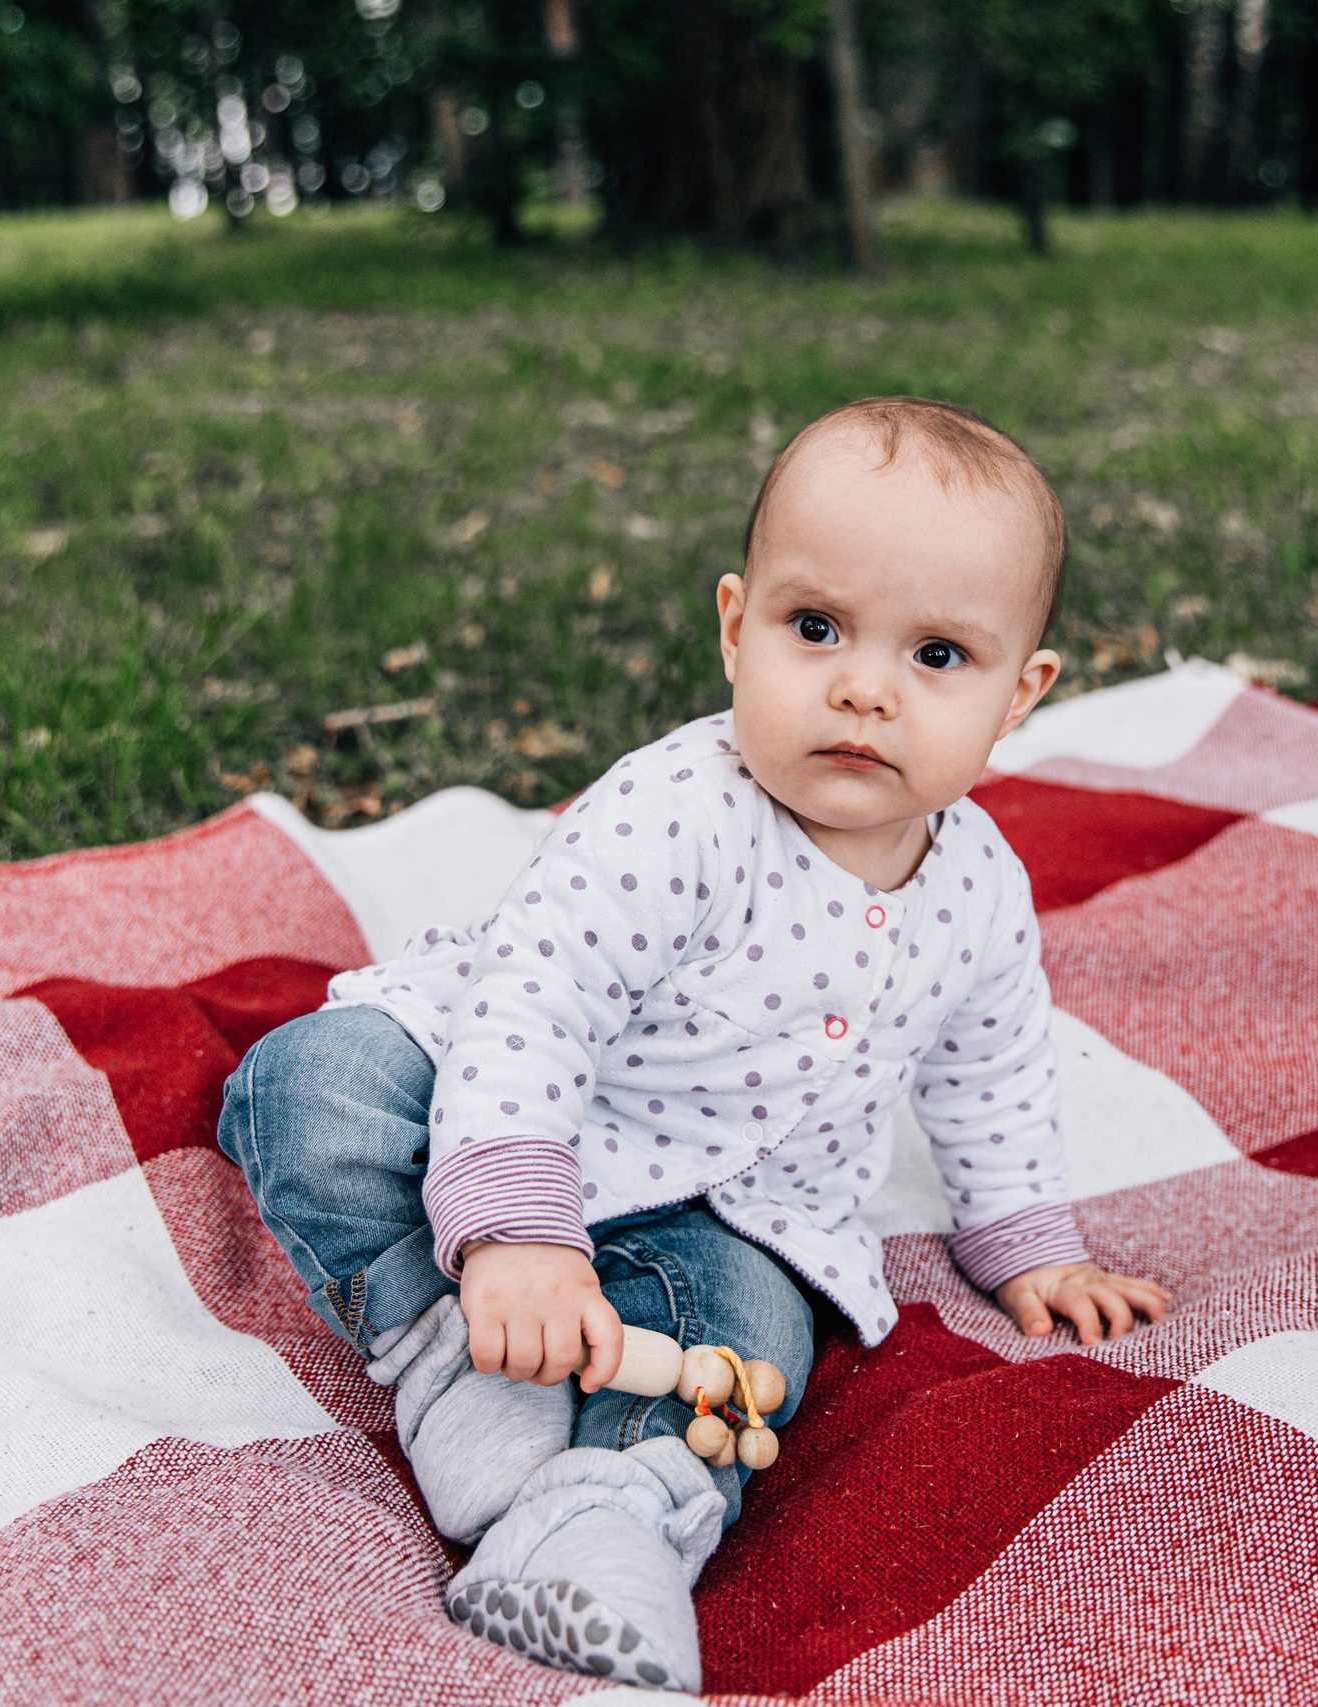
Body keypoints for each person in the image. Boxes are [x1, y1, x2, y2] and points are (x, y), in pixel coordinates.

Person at [221, 396, 1172, 1692]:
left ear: (1022, 695)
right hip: (512, 1096)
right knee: (305, 1091)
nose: (861, 686)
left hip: (732, 1200)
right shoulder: (681, 811)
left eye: (938, 655)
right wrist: (514, 1226)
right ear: (736, 629)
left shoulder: (983, 894)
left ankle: (609, 1521)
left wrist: (1027, 1240)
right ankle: (445, 1349)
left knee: (751, 1350)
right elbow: (536, 997)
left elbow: (990, 1071)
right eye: (816, 627)